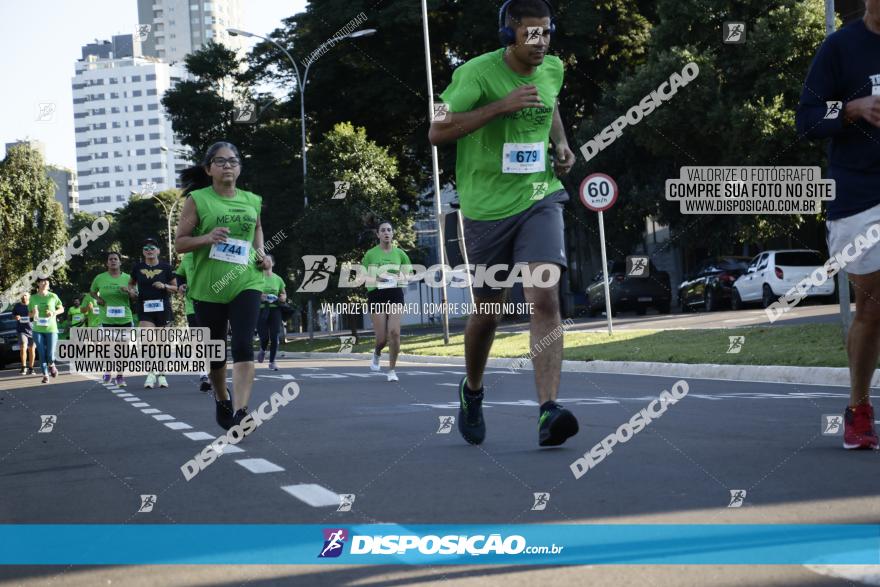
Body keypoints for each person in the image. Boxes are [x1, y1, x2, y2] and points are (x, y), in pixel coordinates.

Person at [428, 0, 579, 447]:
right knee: (488, 313)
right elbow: (436, 131)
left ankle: (548, 410)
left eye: (547, 33)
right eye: (531, 34)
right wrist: (500, 106)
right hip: (485, 210)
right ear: (507, 36)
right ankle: (472, 389)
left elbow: (548, 105)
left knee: (544, 296)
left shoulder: (552, 68)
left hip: (539, 196)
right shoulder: (476, 74)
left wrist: (562, 144)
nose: (541, 43)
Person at [795, 0, 880, 450]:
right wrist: (851, 109)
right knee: (872, 309)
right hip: (860, 196)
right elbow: (806, 121)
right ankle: (859, 407)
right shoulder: (840, 48)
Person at [175, 141, 265, 433]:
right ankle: (222, 397)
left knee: (242, 343)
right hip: (208, 287)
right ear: (208, 168)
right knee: (216, 353)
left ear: (240, 167)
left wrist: (263, 255)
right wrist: (207, 238)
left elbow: (257, 230)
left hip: (246, 280)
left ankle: (241, 411)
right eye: (220, 161)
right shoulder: (198, 200)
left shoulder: (252, 200)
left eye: (233, 160)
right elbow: (180, 243)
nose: (228, 165)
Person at [361, 221, 412, 382]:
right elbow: (363, 277)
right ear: (378, 235)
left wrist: (399, 277)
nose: (386, 233)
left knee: (395, 333)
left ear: (392, 233)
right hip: (376, 294)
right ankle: (377, 352)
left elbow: (408, 274)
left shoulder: (400, 254)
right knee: (382, 339)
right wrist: (378, 278)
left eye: (389, 230)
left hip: (395, 294)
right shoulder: (370, 254)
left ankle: (391, 370)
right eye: (383, 230)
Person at [129, 237, 178, 389]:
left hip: (163, 309)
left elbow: (176, 288)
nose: (149, 251)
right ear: (143, 252)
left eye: (152, 248)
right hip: (145, 308)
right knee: (147, 340)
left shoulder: (166, 267)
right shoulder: (137, 267)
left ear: (158, 251)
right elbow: (131, 283)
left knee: (163, 344)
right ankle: (151, 373)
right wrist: (132, 292)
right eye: (146, 249)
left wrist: (164, 286)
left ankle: (162, 375)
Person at [90, 251, 134, 386]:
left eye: (115, 259)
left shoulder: (128, 278)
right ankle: (108, 371)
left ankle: (120, 376)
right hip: (107, 319)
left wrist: (128, 291)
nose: (113, 261)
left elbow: (135, 296)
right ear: (107, 263)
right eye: (110, 259)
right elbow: (92, 291)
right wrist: (98, 299)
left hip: (125, 319)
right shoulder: (100, 278)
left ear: (120, 262)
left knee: (124, 350)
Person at [175, 251, 212, 392]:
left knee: (210, 340)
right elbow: (179, 275)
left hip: (213, 303)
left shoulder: (211, 253)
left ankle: (213, 373)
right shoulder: (188, 257)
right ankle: (203, 374)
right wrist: (181, 285)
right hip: (193, 306)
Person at [27, 278, 64, 384]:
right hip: (37, 329)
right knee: (41, 353)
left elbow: (61, 309)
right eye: (42, 281)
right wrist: (33, 313)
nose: (45, 283)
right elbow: (29, 314)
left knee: (50, 353)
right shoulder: (33, 298)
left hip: (51, 329)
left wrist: (53, 312)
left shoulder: (53, 296)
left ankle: (51, 364)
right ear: (38, 283)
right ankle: (45, 375)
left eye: (47, 281)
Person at [257, 254, 287, 371]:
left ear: (272, 264)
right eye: (264, 260)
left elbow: (284, 293)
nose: (266, 262)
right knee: (264, 336)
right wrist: (263, 296)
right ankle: (262, 350)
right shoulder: (257, 277)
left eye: (268, 260)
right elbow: (253, 293)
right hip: (261, 309)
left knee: (274, 336)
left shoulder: (278, 279)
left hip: (275, 309)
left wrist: (282, 297)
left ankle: (272, 362)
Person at [12, 293, 36, 375]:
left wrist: (33, 314)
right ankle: (23, 367)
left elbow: (37, 315)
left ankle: (31, 368)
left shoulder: (33, 304)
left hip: (33, 330)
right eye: (22, 295)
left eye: (25, 295)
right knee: (23, 346)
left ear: (29, 296)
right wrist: (16, 317)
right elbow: (13, 315)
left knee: (32, 349)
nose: (24, 297)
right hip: (21, 330)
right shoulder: (17, 306)